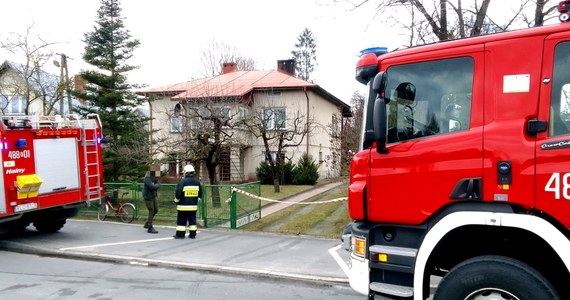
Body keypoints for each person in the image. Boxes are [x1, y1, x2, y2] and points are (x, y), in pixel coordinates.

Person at [173, 164, 202, 239]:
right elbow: (200, 194)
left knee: (181, 222)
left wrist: (176, 201)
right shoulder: (197, 182)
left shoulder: (183, 182)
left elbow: (178, 193)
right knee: (192, 222)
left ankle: (180, 235)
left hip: (183, 207)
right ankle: (192, 235)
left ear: (186, 172)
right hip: (193, 207)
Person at [142, 165, 161, 234]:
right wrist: (158, 185)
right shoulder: (147, 178)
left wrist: (157, 184)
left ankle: (147, 223)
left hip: (153, 196)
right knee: (151, 210)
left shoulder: (154, 177)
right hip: (147, 196)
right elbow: (152, 186)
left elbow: (156, 183)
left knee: (156, 210)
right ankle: (150, 227)